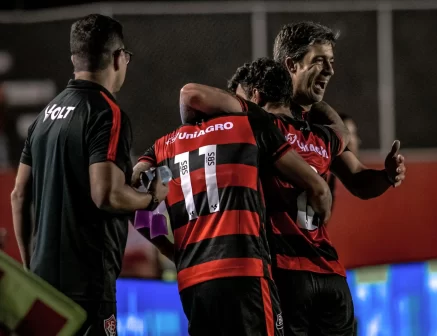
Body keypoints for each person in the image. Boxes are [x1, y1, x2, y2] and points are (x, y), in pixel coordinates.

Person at [132, 79, 333, 336]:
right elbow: (312, 183)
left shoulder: (164, 146)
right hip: (244, 272)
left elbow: (135, 200)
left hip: (193, 280)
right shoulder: (248, 125)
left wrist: (166, 246)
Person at [10, 14, 168, 336]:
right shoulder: (106, 112)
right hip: (88, 287)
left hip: (44, 287)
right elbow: (106, 194)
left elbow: (19, 195)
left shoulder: (45, 116)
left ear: (73, 59)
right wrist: (151, 198)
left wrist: (31, 270)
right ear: (117, 57)